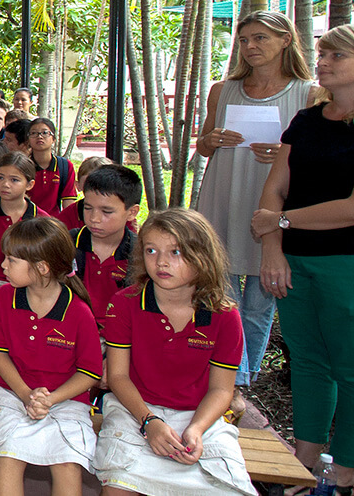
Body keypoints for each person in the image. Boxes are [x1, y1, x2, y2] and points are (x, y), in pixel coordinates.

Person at [252, 24, 354, 490]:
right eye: (323, 52)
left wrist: (281, 224)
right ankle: (302, 459)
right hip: (294, 261)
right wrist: (272, 248)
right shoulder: (307, 121)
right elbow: (275, 192)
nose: (323, 61)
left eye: (337, 55)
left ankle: (343, 469)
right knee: (308, 361)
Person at [194, 10, 319, 393]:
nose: (250, 47)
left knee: (262, 298)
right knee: (219, 289)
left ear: (286, 40)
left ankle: (239, 381)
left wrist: (286, 152)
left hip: (271, 199)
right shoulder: (223, 89)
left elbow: (317, 158)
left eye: (260, 38)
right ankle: (230, 377)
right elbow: (201, 146)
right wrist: (212, 140)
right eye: (244, 40)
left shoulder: (308, 93)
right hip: (223, 192)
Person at [96, 209, 255, 495]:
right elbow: (118, 377)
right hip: (135, 410)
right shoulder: (126, 303)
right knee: (119, 486)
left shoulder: (224, 315)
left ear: (202, 257)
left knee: (224, 486)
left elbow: (221, 390)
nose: (161, 262)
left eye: (176, 252)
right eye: (151, 250)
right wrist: (149, 422)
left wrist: (196, 429)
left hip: (199, 415)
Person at [0, 217, 101, 495]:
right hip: (11, 390)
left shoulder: (79, 312)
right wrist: (24, 393)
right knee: (9, 454)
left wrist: (51, 399)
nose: (3, 266)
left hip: (65, 397)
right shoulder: (3, 298)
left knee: (67, 462)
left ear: (42, 268)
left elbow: (90, 372)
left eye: (11, 260)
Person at [0, 153, 48, 333]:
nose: (5, 184)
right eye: (0, 177)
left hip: (30, 284)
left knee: (28, 324)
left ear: (29, 185)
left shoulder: (41, 219)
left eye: (14, 180)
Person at [69, 165, 142, 321]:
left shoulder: (141, 252)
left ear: (132, 212)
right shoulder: (67, 243)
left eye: (106, 212)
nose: (94, 218)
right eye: (88, 208)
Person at [25, 118, 77, 213]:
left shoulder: (64, 166)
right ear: (28, 140)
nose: (39, 136)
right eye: (34, 133)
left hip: (54, 223)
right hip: (27, 222)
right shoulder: (23, 166)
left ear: (53, 139)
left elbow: (68, 201)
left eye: (45, 133)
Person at [53, 156, 115, 231]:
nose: (95, 189)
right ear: (77, 185)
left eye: (103, 183)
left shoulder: (122, 211)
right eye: (88, 183)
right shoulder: (69, 215)